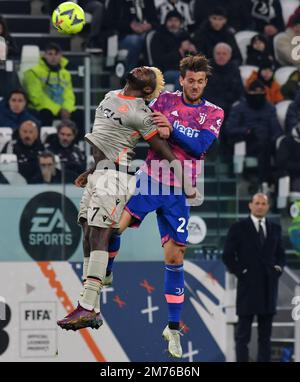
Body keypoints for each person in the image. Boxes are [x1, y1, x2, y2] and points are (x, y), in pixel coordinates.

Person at [81, 55, 224, 358]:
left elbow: (200, 146)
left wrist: (172, 129)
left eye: (200, 81)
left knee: (174, 259)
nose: (195, 86)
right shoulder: (164, 100)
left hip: (179, 193)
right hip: (149, 180)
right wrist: (99, 164)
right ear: (182, 79)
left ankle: (172, 329)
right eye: (190, 80)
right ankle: (105, 272)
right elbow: (137, 124)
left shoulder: (214, 112)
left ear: (205, 82)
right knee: (111, 227)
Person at [57, 66, 193, 334]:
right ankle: (93, 308)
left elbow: (162, 149)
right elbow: (106, 140)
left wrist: (186, 181)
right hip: (100, 172)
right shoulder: (111, 95)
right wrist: (92, 169)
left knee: (99, 234)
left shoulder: (142, 113)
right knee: (86, 232)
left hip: (115, 178)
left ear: (146, 90)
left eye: (149, 74)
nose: (143, 68)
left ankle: (86, 303)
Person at [223, 193, 286, 362]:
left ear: (268, 206)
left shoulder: (275, 229)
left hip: (268, 288)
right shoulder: (238, 227)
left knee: (265, 338)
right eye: (257, 203)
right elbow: (228, 255)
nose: (260, 206)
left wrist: (277, 270)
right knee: (243, 336)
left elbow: (281, 255)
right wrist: (241, 272)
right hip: (248, 288)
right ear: (250, 205)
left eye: (263, 203)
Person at [225, 80, 283, 189]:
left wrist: (276, 139)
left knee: (271, 142)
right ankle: (264, 181)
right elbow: (230, 129)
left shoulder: (270, 108)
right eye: (254, 94)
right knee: (261, 140)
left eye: (260, 94)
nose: (257, 97)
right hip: (247, 142)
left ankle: (270, 181)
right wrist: (247, 131)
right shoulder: (239, 108)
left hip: (267, 142)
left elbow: (276, 130)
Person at [22, 43, 77, 128]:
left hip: (62, 109)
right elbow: (36, 96)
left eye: (56, 54)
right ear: (44, 55)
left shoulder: (66, 74)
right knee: (46, 113)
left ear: (61, 56)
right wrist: (58, 109)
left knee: (79, 114)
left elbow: (69, 95)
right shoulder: (33, 72)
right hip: (42, 108)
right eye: (50, 54)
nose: (53, 57)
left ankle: (78, 140)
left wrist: (67, 109)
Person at [104, 0, 159, 72]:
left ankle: (154, 73)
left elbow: (156, 22)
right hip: (122, 36)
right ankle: (129, 74)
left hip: (146, 34)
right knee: (136, 40)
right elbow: (109, 23)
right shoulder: (116, 2)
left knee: (151, 38)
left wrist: (150, 25)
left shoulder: (148, 2)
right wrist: (130, 26)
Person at [149, 10, 197, 90]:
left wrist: (194, 52)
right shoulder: (158, 36)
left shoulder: (185, 35)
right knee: (183, 78)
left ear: (180, 23)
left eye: (176, 21)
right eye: (170, 20)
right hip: (165, 71)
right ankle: (177, 102)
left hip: (185, 70)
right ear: (166, 22)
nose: (173, 23)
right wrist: (180, 51)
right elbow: (159, 60)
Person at [204, 42, 243, 117]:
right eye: (218, 54)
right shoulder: (206, 68)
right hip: (209, 104)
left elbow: (239, 90)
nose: (221, 56)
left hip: (229, 105)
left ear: (229, 56)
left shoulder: (234, 68)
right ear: (214, 55)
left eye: (224, 54)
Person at [277, 119, 300, 192]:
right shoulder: (286, 141)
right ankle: (297, 204)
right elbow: (282, 163)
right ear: (298, 124)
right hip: (294, 177)